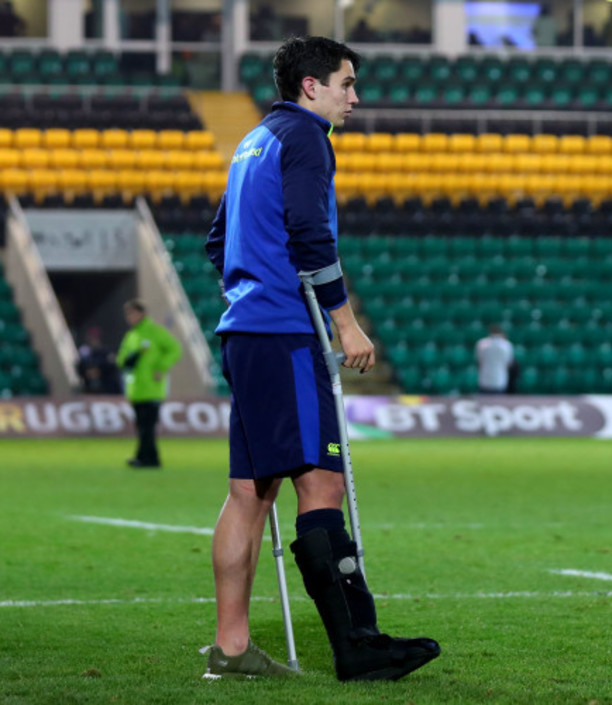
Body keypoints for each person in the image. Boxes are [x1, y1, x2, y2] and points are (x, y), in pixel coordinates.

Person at [203, 36, 440, 681]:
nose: (354, 97)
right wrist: (345, 322)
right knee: (322, 482)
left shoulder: (252, 141)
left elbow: (217, 240)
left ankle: (231, 648)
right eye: (346, 83)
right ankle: (357, 646)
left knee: (249, 492)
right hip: (284, 333)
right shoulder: (307, 138)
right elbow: (310, 232)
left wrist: (249, 290)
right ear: (311, 86)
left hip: (246, 331)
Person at [116, 299, 181, 469]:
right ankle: (151, 458)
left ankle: (143, 458)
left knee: (147, 426)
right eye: (127, 315)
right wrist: (127, 361)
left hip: (152, 388)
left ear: (141, 314)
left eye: (132, 314)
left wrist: (161, 367)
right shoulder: (131, 336)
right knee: (142, 426)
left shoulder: (155, 332)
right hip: (136, 389)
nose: (129, 318)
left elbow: (175, 349)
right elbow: (121, 359)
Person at [77, 326, 122, 395]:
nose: (93, 340)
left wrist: (99, 370)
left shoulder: (106, 351)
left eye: (95, 338)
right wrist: (88, 372)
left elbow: (113, 365)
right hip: (92, 390)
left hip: (109, 388)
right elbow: (81, 367)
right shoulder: (85, 352)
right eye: (91, 338)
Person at [475, 324, 514, 394]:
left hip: (485, 380)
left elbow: (479, 362)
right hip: (499, 380)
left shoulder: (481, 343)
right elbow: (509, 364)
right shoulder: (507, 345)